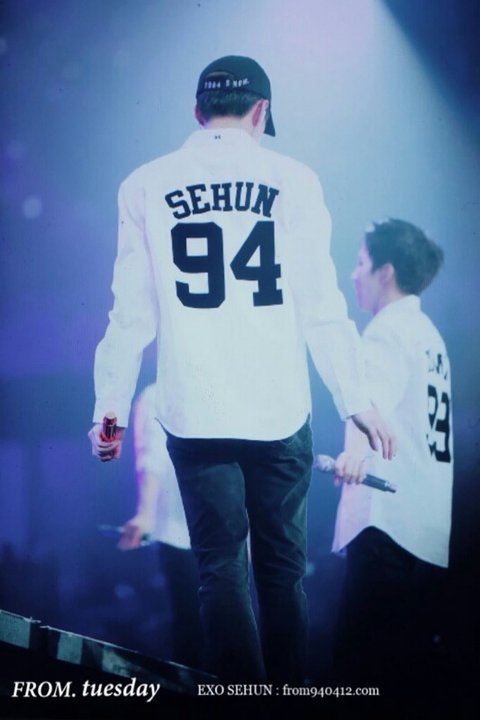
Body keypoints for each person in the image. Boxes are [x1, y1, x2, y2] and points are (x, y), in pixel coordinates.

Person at [88, 55, 394, 684]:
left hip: (195, 411)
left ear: (196, 112)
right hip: (278, 410)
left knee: (220, 570)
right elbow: (322, 306)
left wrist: (109, 410)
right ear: (261, 112)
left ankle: (242, 702)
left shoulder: (144, 184)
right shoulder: (295, 180)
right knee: (281, 575)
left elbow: (129, 317)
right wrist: (356, 400)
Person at [331, 218, 453, 688]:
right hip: (425, 527)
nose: (353, 274)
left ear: (385, 272)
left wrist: (353, 456)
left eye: (360, 263)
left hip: (387, 522)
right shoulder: (428, 334)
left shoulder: (387, 330)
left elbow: (369, 405)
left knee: (358, 674)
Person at [117, 383, 202, 669]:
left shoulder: (158, 395)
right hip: (186, 531)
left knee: (202, 627)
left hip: (201, 531)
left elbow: (150, 458)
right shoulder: (158, 395)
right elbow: (151, 458)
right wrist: (145, 513)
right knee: (199, 627)